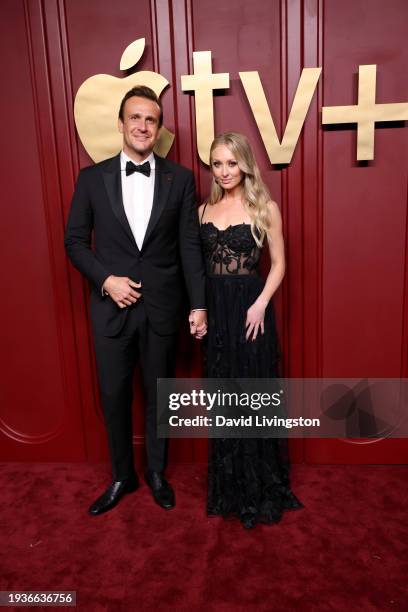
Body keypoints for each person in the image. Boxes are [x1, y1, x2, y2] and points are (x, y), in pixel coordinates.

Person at [65, 86, 207, 516]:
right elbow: (74, 242)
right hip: (111, 311)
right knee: (114, 395)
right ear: (121, 123)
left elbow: (188, 247)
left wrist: (198, 304)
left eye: (151, 120)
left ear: (158, 128)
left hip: (163, 307)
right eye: (135, 118)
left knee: (160, 394)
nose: (143, 126)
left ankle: (157, 474)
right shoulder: (91, 178)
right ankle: (122, 476)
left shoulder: (180, 179)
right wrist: (107, 280)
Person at [198, 132, 302, 529]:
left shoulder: (265, 207)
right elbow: (197, 269)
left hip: (251, 309)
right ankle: (229, 486)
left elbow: (279, 263)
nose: (225, 171)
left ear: (245, 163)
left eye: (231, 163)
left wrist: (260, 303)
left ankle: (258, 485)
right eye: (217, 164)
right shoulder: (202, 210)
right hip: (216, 312)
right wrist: (200, 311)